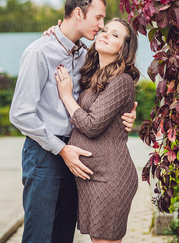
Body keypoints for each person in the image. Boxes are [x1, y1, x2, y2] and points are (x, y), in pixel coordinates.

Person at [9, 0, 137, 243]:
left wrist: (125, 115)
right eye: (99, 19)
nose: (101, 27)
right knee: (40, 234)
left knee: (63, 234)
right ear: (79, 13)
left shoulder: (84, 54)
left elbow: (107, 93)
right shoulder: (39, 52)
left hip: (77, 156)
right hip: (46, 152)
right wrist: (60, 149)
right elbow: (20, 114)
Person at [54, 18, 140, 243]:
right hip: (92, 178)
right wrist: (52, 32)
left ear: (123, 48)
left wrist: (65, 96)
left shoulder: (121, 81)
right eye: (104, 30)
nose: (104, 34)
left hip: (110, 177)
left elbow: (92, 126)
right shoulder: (94, 74)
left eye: (115, 35)